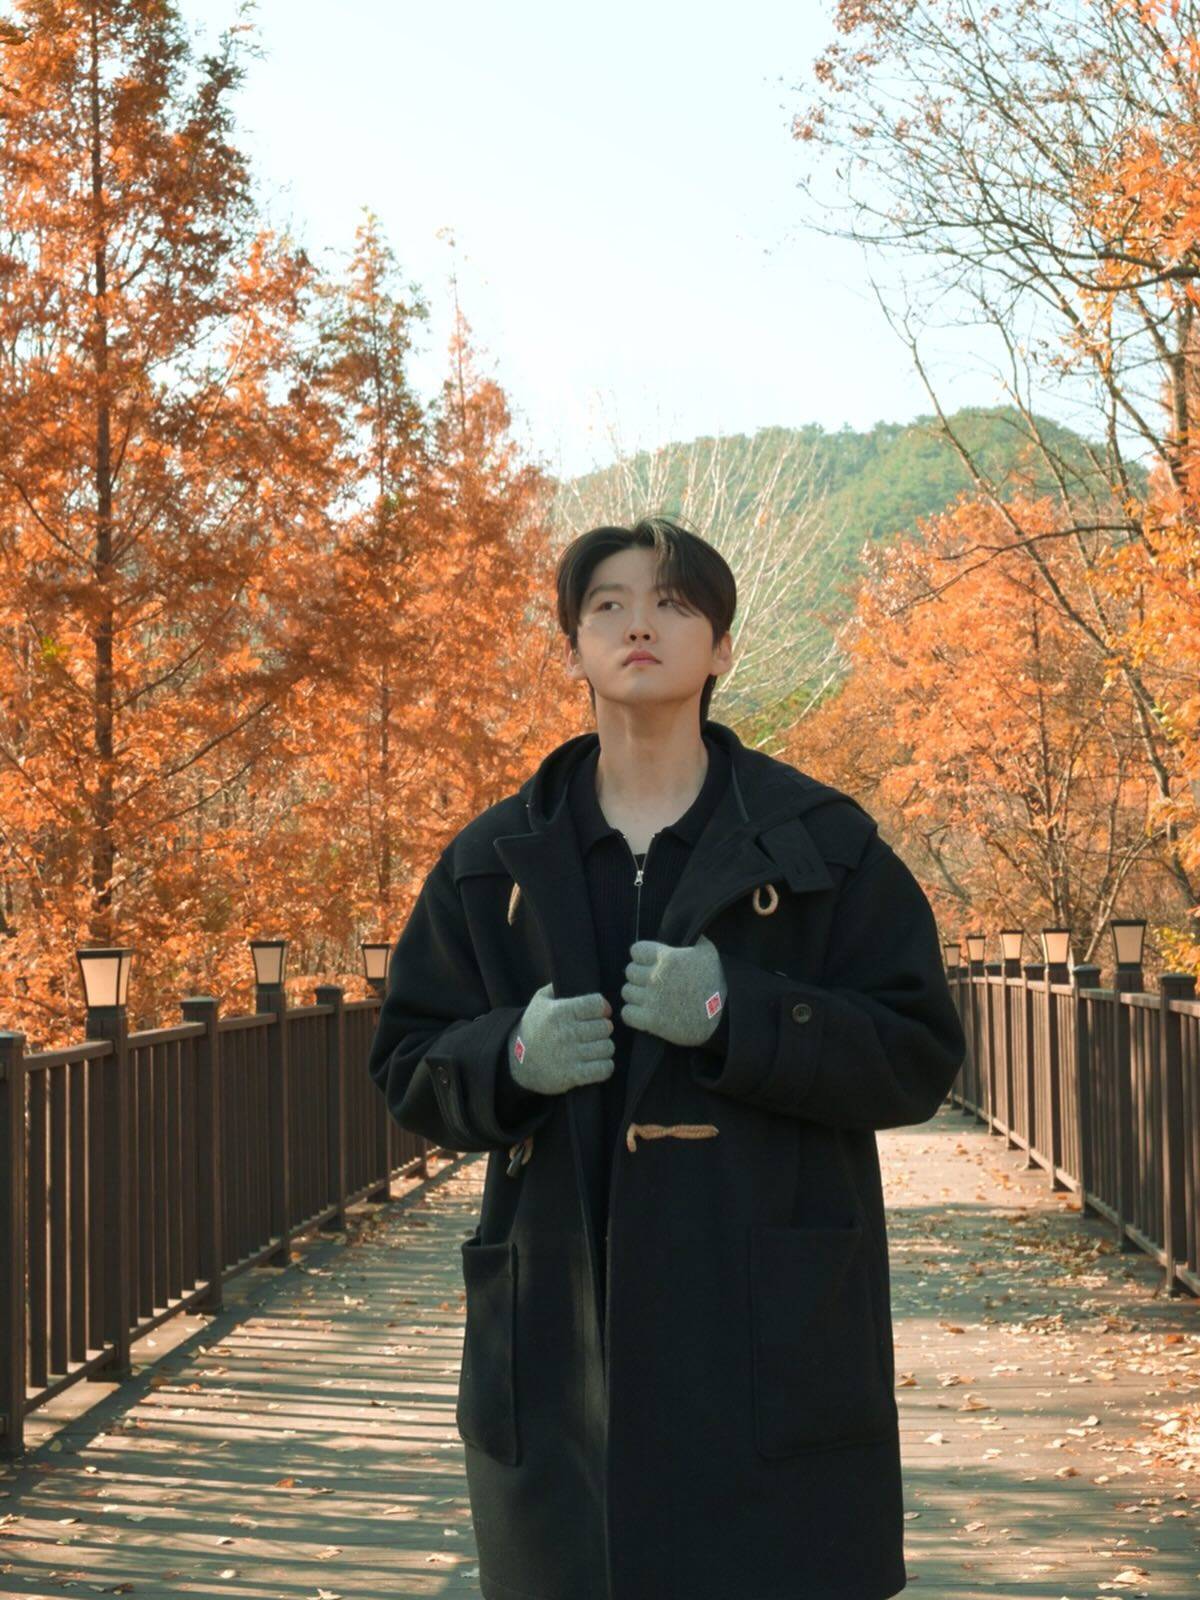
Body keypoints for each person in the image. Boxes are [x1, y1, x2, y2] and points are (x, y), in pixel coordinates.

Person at [366, 514, 967, 1600]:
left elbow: (918, 1052)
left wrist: (743, 1015)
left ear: (721, 647)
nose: (638, 624)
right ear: (573, 648)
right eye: (608, 605)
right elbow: (406, 1061)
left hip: (768, 1330)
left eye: (673, 603)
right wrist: (512, 1055)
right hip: (559, 1341)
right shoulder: (491, 861)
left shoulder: (823, 845)